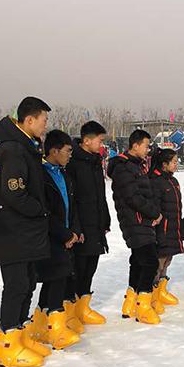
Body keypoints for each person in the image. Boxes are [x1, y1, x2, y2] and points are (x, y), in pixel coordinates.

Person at [0, 96, 52, 367]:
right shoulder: (13, 148)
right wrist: (40, 210)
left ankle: (20, 334)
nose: (45, 126)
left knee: (28, 281)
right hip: (12, 230)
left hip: (26, 230)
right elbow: (14, 192)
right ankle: (8, 343)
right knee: (16, 285)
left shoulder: (28, 146)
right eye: (43, 121)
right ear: (29, 120)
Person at [106, 129, 162, 324]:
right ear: (135, 145)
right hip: (135, 221)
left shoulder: (137, 166)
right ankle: (143, 305)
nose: (148, 150)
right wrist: (153, 212)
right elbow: (133, 197)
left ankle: (130, 303)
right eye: (146, 146)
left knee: (139, 262)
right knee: (150, 262)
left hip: (142, 220)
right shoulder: (124, 168)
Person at [34, 130, 82, 350]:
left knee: (58, 277)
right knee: (56, 277)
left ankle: (42, 325)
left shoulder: (64, 174)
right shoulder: (41, 175)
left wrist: (75, 231)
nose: (70, 155)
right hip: (50, 236)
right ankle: (54, 328)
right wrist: (64, 234)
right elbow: (45, 212)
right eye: (67, 151)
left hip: (66, 235)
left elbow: (71, 207)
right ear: (54, 151)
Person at [64, 121, 110, 331]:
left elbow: (101, 196)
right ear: (87, 140)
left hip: (96, 224)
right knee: (78, 269)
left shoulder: (95, 161)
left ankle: (83, 307)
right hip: (81, 226)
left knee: (91, 266)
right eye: (99, 141)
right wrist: (77, 227)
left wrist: (105, 220)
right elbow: (72, 200)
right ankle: (69, 312)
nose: (101, 145)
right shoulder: (73, 164)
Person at [149, 148, 184, 313]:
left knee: (167, 260)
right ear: (164, 164)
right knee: (158, 261)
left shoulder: (173, 181)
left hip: (173, 227)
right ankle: (151, 295)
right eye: (174, 162)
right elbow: (155, 207)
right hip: (161, 228)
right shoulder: (155, 181)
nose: (176, 164)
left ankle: (161, 290)